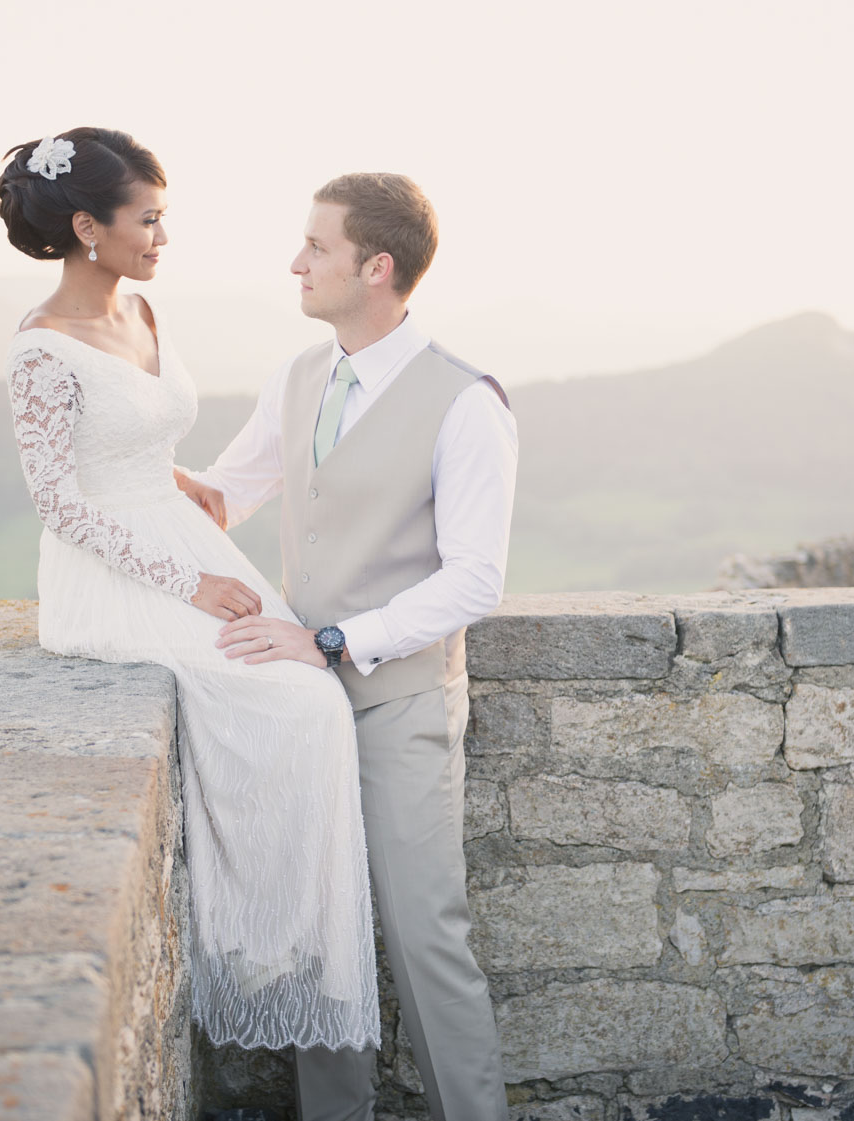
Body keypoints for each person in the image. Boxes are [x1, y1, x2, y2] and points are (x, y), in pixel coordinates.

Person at [0, 128, 379, 1054]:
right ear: (89, 226)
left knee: (313, 693)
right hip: (113, 573)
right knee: (286, 701)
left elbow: (133, 443)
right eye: (149, 220)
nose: (163, 238)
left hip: (179, 534)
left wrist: (186, 483)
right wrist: (187, 578)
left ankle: (279, 936)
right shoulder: (41, 349)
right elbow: (59, 500)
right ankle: (254, 940)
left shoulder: (142, 311)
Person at [182, 173, 517, 1121]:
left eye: (317, 247)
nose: (296, 261)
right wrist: (111, 470)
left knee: (425, 936)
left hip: (403, 701)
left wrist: (331, 639)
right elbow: (225, 493)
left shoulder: (467, 402)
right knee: (323, 941)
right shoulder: (297, 377)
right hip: (303, 708)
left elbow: (473, 579)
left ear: (378, 266)